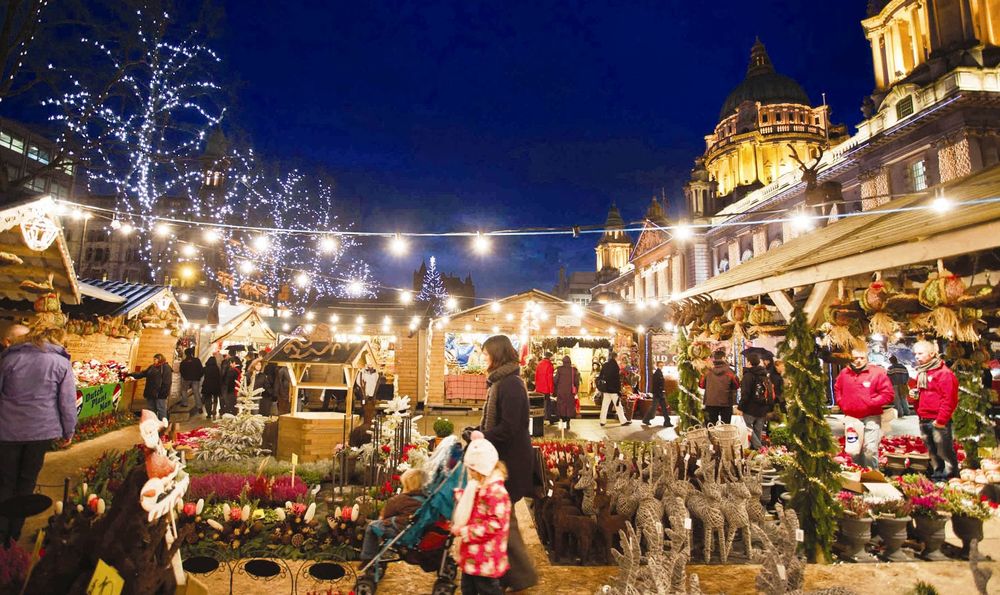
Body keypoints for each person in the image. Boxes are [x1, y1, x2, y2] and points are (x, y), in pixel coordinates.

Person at [0, 326, 76, 544]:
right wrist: (68, 430)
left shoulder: (10, 359)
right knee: (26, 482)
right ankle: (14, 536)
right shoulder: (61, 364)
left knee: (5, 481)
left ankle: (1, 531)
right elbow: (67, 402)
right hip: (40, 432)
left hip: (7, 431)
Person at [473, 335, 536, 591]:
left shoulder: (510, 384)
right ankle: (511, 574)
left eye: (487, 353)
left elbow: (509, 427)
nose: (484, 358)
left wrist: (482, 435)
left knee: (504, 521)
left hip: (512, 463)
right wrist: (477, 431)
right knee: (504, 519)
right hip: (504, 460)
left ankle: (520, 576)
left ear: (497, 355)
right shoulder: (501, 382)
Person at [451, 438, 510, 595]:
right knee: (468, 589)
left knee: (487, 590)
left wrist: (467, 532)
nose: (469, 473)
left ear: (482, 469)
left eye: (472, 469)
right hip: (473, 556)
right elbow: (476, 507)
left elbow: (495, 523)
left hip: (486, 558)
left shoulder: (496, 493)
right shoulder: (479, 486)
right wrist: (460, 497)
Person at [833, 348, 895, 469]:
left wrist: (871, 402)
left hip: (871, 416)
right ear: (851, 359)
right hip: (852, 418)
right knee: (853, 450)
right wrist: (842, 403)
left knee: (870, 449)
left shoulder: (877, 373)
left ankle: (872, 476)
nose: (859, 361)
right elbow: (837, 389)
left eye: (862, 358)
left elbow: (888, 394)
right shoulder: (844, 373)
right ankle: (857, 474)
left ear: (867, 358)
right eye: (856, 358)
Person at [359, 468, 426, 571]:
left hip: (400, 531)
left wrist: (382, 519)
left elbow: (385, 515)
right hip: (416, 534)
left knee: (372, 527)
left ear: (407, 485)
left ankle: (368, 558)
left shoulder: (400, 500)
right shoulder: (425, 500)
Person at [913, 340, 960, 481]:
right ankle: (938, 477)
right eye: (915, 353)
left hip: (937, 420)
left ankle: (951, 479)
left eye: (920, 353)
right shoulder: (922, 373)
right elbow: (919, 397)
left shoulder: (944, 374)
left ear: (932, 353)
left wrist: (941, 420)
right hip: (924, 418)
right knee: (933, 452)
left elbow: (949, 399)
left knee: (944, 451)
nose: (917, 356)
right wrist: (914, 399)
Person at [738, 353, 774, 449]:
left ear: (749, 362)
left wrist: (740, 407)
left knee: (748, 428)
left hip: (750, 408)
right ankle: (758, 454)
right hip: (763, 408)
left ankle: (760, 449)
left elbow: (745, 393)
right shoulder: (764, 374)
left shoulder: (748, 375)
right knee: (758, 430)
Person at [129, 353, 173, 421]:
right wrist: (131, 374)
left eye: (155, 359)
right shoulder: (152, 367)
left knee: (161, 409)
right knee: (151, 410)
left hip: (160, 394)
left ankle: (163, 426)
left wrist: (163, 393)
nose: (154, 361)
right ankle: (153, 424)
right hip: (150, 393)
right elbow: (143, 373)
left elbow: (167, 382)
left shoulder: (166, 367)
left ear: (160, 359)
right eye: (154, 359)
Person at [701, 349, 739, 425]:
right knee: (726, 428)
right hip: (726, 403)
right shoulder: (730, 371)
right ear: (724, 358)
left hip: (710, 402)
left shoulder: (707, 371)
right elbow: (736, 385)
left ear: (713, 359)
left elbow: (701, 385)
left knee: (710, 426)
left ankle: (712, 437)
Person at [597, 351, 630, 427]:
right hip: (614, 390)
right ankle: (623, 421)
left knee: (604, 406)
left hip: (606, 389)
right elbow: (616, 379)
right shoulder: (615, 366)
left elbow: (601, 376)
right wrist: (619, 390)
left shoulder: (605, 365)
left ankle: (602, 421)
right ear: (615, 357)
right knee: (618, 405)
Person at [643, 359, 672, 427]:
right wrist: (660, 392)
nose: (661, 366)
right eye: (660, 365)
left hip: (659, 393)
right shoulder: (657, 373)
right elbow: (656, 384)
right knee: (655, 408)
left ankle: (667, 421)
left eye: (662, 365)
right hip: (658, 394)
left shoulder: (659, 372)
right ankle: (646, 419)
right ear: (657, 366)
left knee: (662, 408)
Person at [553, 355, 579, 430]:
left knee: (561, 406)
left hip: (561, 391)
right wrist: (576, 390)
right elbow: (576, 382)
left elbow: (555, 380)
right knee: (569, 406)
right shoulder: (573, 370)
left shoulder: (559, 369)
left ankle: (563, 422)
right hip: (570, 392)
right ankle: (568, 423)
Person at [178, 347, 204, 414]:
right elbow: (201, 369)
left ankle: (185, 403)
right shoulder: (197, 360)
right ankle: (199, 407)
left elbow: (181, 371)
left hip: (186, 379)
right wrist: (198, 377)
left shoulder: (183, 362)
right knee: (196, 392)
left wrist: (185, 377)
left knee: (184, 390)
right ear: (192, 353)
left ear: (186, 354)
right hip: (195, 379)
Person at [534, 352, 555, 424]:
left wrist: (536, 386)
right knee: (547, 404)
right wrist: (551, 389)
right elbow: (550, 378)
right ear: (550, 357)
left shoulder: (539, 364)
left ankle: (540, 418)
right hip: (546, 388)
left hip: (539, 388)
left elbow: (536, 376)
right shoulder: (549, 365)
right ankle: (547, 418)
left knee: (540, 404)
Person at [201, 355, 222, 419]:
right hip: (215, 385)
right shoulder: (217, 368)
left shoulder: (205, 368)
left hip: (207, 385)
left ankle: (209, 413)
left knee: (208, 399)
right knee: (215, 398)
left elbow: (201, 375)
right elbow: (219, 377)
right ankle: (214, 411)